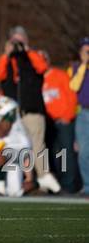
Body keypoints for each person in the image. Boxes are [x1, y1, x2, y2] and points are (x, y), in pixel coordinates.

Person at [0, 26, 60, 193]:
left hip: (31, 110)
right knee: (17, 148)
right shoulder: (8, 60)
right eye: (14, 40)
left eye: (20, 40)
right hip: (14, 115)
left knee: (37, 145)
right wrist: (6, 53)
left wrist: (27, 50)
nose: (18, 44)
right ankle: (16, 182)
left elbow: (42, 67)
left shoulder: (33, 56)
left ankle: (43, 177)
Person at [41, 51, 80, 193]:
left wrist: (67, 116)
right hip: (47, 123)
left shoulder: (60, 75)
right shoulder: (36, 78)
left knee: (65, 153)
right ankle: (55, 184)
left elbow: (71, 97)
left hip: (63, 121)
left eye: (44, 59)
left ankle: (68, 184)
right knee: (52, 153)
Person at [68, 37, 89, 196]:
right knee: (83, 151)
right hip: (82, 113)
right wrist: (83, 65)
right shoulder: (75, 68)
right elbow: (74, 86)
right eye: (85, 50)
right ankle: (87, 186)